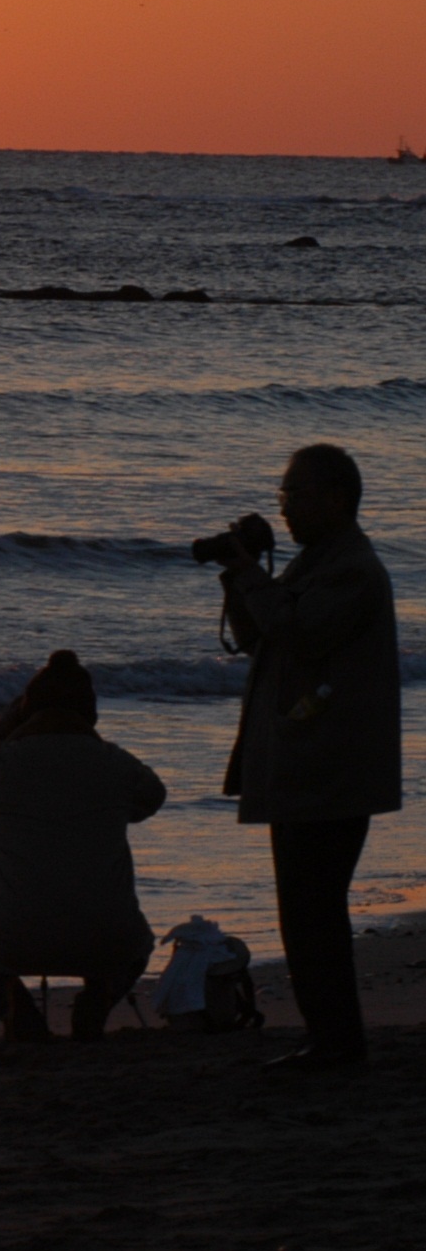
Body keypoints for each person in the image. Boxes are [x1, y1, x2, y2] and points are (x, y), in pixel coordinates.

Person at [217, 442, 402, 1071]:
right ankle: (330, 1039)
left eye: (295, 494)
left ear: (336, 498)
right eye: (283, 495)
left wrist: (250, 576)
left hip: (329, 773)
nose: (285, 507)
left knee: (313, 912)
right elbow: (258, 637)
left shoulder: (351, 569)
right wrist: (241, 576)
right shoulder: (318, 564)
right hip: (310, 768)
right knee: (306, 912)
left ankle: (336, 1043)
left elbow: (301, 633)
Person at [0, 650, 167, 1042]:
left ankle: (11, 1006)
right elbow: (152, 796)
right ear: (90, 713)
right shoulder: (116, 766)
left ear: (26, 709)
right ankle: (98, 999)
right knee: (137, 937)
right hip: (105, 940)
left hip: (13, 938)